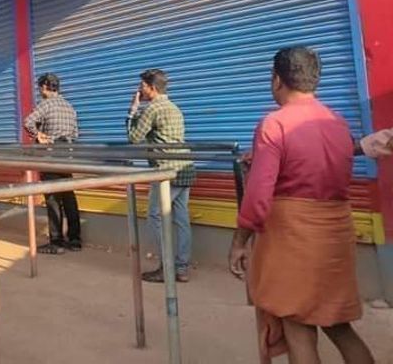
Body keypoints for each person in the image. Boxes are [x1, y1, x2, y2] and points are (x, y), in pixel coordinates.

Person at [228, 47, 373, 363]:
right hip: (336, 235)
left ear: (277, 79)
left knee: (298, 331)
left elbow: (258, 196)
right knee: (339, 325)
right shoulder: (337, 123)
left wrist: (240, 241)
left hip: (293, 238)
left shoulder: (274, 124)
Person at [126, 68, 192, 283]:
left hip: (166, 171)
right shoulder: (174, 107)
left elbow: (134, 138)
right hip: (185, 168)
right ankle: (182, 268)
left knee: (155, 215)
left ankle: (167, 267)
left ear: (151, 88)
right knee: (181, 219)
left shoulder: (152, 108)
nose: (139, 90)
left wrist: (133, 110)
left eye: (142, 86)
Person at [24, 73, 80, 255]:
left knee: (53, 198)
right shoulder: (69, 107)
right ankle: (75, 239)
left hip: (51, 155)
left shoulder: (46, 104)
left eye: (40, 88)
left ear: (45, 87)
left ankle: (56, 242)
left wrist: (38, 135)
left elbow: (28, 122)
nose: (40, 91)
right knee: (68, 197)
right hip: (68, 156)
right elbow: (75, 134)